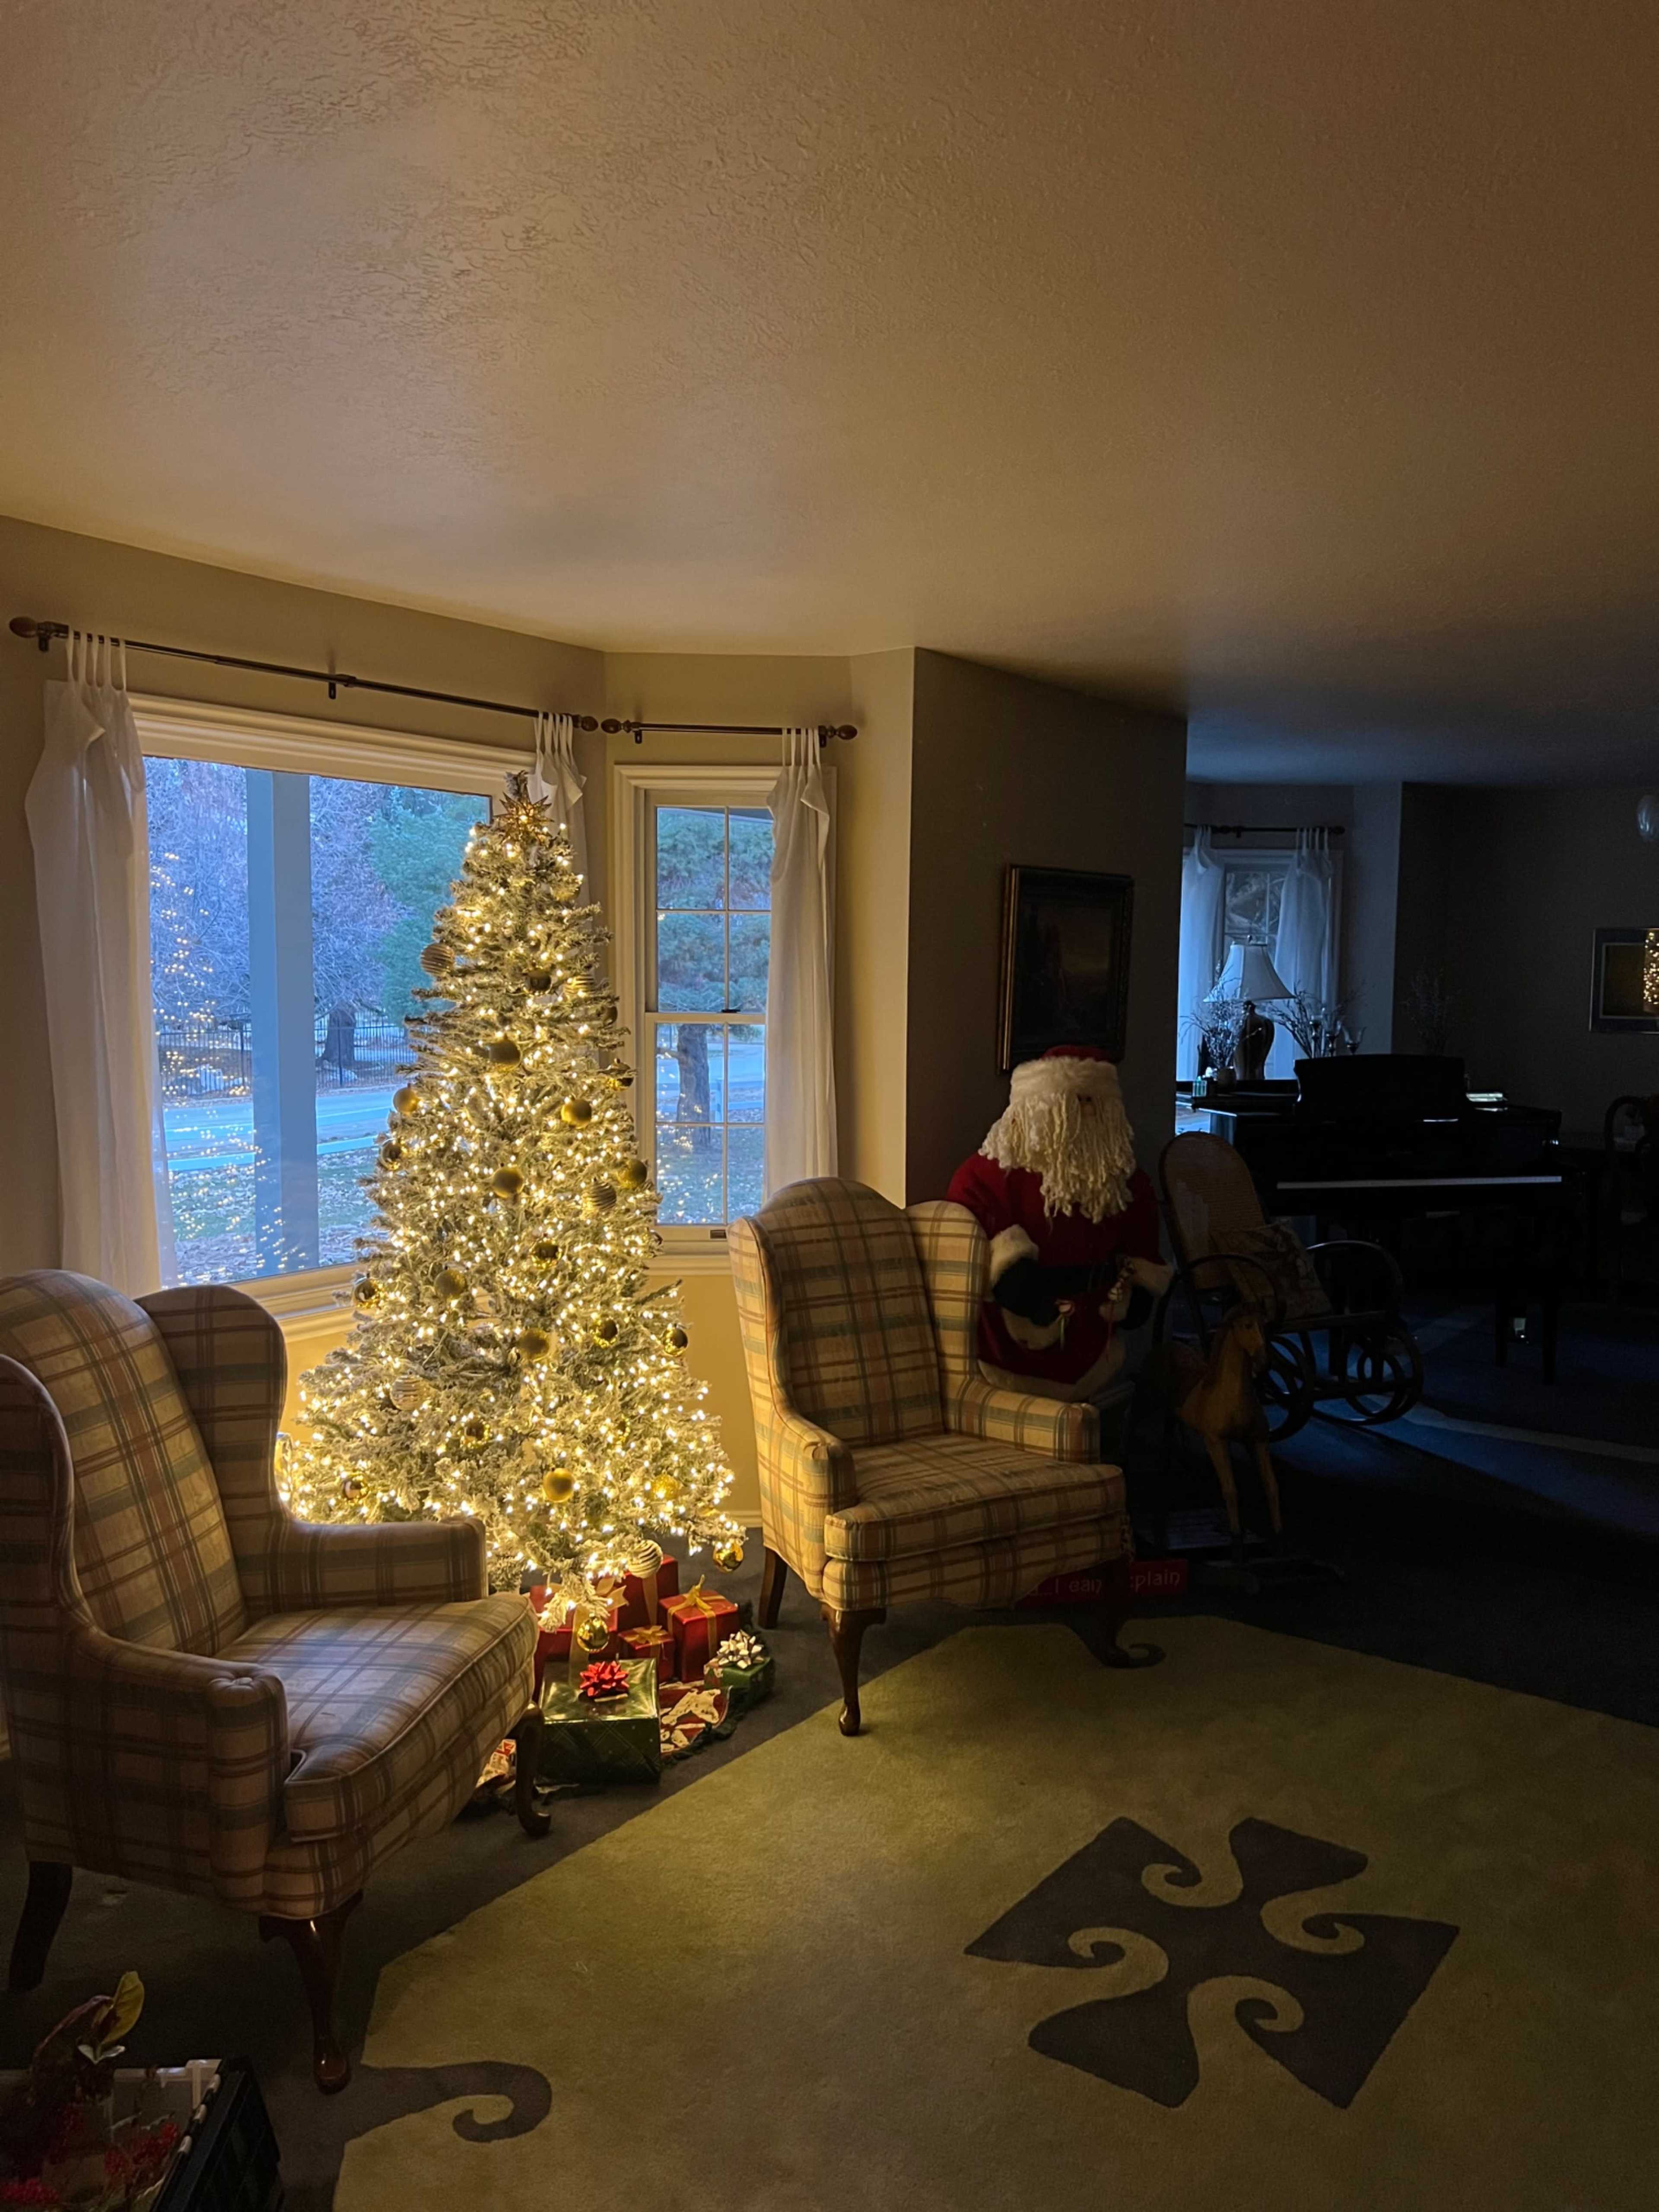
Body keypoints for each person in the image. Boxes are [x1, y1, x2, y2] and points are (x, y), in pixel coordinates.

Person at [947, 1046, 1170, 1401]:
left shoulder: (1124, 1182)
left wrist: (1140, 1289)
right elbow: (970, 1224)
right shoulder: (989, 1175)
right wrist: (1013, 1280)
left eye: (1091, 1102)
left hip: (1094, 1339)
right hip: (1013, 1344)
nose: (1082, 1114)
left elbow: (1142, 1236)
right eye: (1071, 1103)